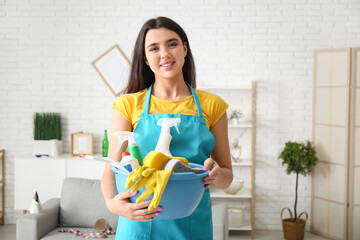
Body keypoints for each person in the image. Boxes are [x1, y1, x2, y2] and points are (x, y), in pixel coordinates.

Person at [101, 16, 233, 240]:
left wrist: (216, 175)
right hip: (139, 224)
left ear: (184, 48)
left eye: (172, 44)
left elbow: (227, 176)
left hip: (192, 226)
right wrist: (115, 206)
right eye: (154, 48)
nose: (165, 54)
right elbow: (111, 170)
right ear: (145, 58)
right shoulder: (128, 105)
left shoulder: (213, 105)